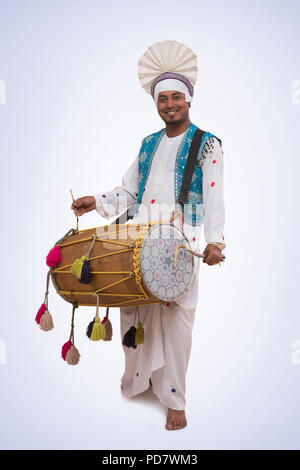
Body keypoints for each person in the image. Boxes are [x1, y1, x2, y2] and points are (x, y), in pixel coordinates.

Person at [71, 41, 226, 431]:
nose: (170, 104)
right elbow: (129, 190)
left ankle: (175, 399)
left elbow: (214, 193)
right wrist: (98, 201)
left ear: (188, 100)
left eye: (177, 97)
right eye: (163, 99)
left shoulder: (206, 144)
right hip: (139, 235)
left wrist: (216, 240)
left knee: (177, 321)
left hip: (180, 239)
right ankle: (138, 380)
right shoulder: (148, 143)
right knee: (133, 309)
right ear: (156, 104)